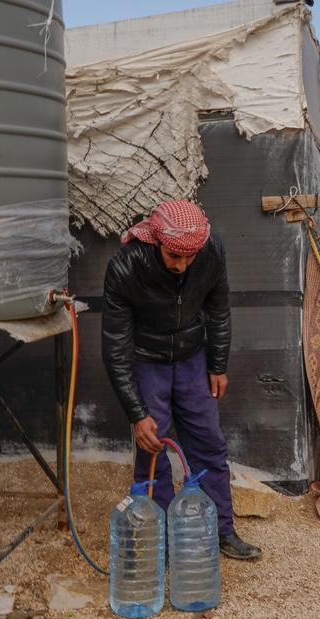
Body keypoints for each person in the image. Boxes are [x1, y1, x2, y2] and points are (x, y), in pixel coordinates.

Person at [101, 200, 261, 560]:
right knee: (153, 449)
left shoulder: (210, 251)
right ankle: (162, 540)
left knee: (209, 445)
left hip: (192, 356)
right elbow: (115, 347)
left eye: (189, 257)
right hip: (147, 361)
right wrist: (136, 412)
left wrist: (217, 365)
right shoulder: (126, 267)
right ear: (157, 240)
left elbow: (219, 310)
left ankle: (221, 531)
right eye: (174, 256)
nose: (182, 265)